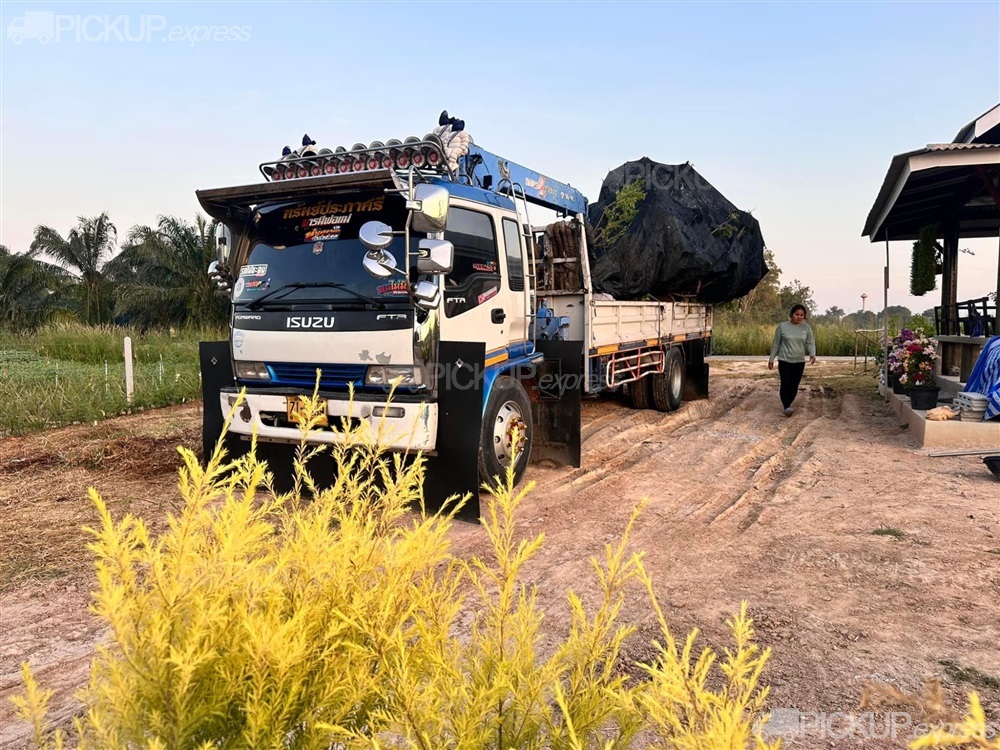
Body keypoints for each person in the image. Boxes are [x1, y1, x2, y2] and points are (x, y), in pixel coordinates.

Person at [768, 304, 816, 416]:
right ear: (791, 314)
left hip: (799, 361)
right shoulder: (782, 326)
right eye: (796, 314)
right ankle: (787, 406)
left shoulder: (806, 328)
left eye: (801, 315)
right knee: (785, 383)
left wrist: (812, 354)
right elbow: (776, 344)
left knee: (794, 385)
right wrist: (771, 359)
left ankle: (788, 403)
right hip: (784, 360)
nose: (799, 317)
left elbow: (810, 342)